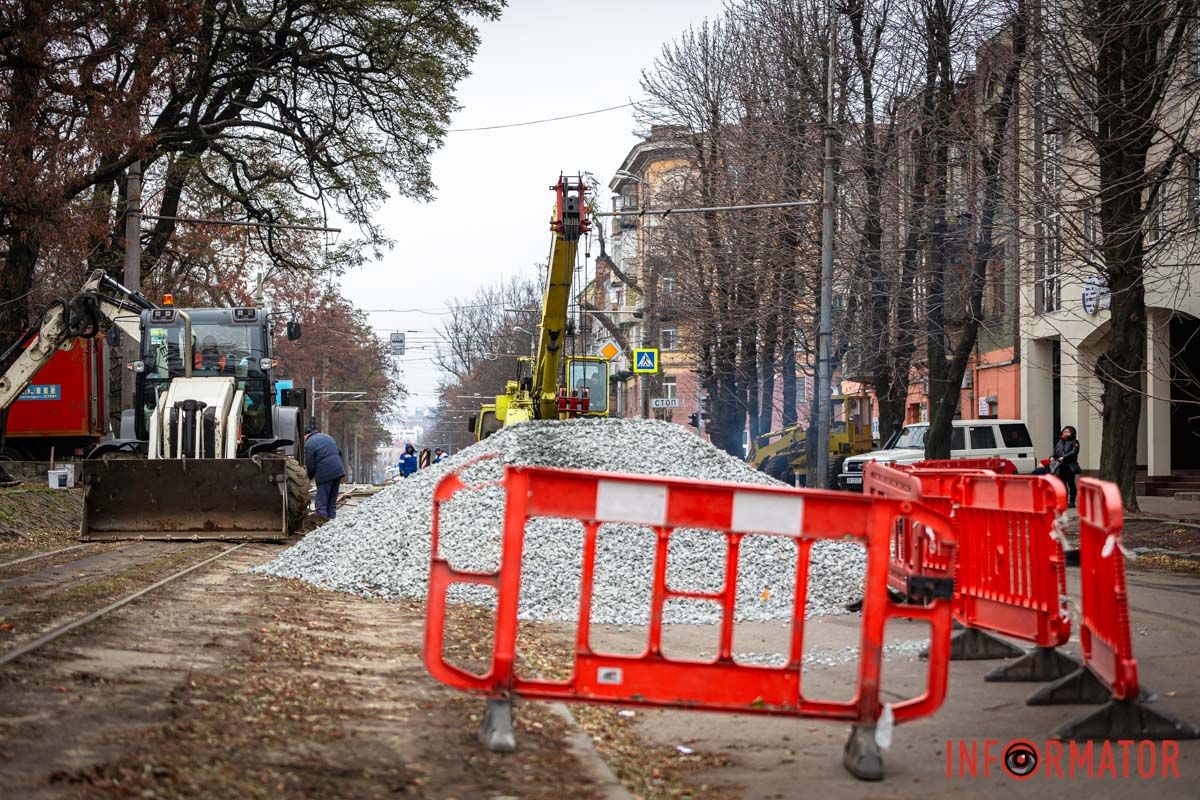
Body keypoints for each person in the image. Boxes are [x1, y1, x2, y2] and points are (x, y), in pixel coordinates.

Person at [304, 427, 346, 522]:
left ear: (305, 435)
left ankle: (321, 521)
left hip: (325, 473)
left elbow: (310, 464)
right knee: (332, 499)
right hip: (338, 470)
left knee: (322, 501)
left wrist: (307, 479)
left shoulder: (309, 443)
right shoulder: (327, 437)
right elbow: (339, 452)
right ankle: (331, 521)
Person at [1035, 426, 1081, 507]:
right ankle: (1064, 501)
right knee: (1062, 484)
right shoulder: (1060, 442)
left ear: (1072, 433)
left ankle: (1072, 501)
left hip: (1069, 466)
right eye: (1064, 431)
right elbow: (1055, 452)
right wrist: (1051, 457)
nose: (1065, 433)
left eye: (1068, 432)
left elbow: (1074, 452)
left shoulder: (1074, 442)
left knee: (1071, 484)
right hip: (1060, 466)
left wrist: (1064, 457)